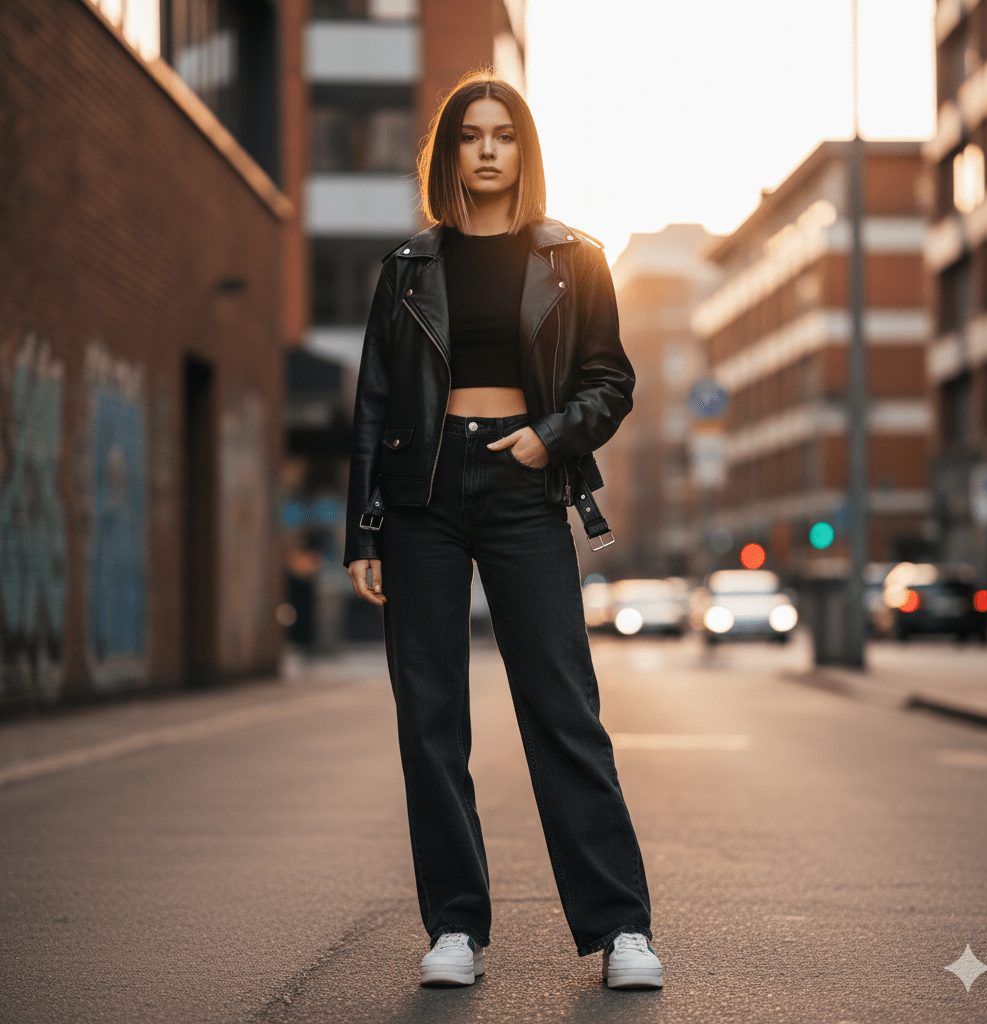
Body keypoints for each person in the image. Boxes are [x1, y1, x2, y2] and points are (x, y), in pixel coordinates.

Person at [343, 71, 663, 991]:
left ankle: (621, 928)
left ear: (525, 150)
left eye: (504, 134)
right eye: (471, 135)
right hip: (423, 495)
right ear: (449, 153)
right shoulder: (408, 268)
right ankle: (455, 927)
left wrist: (547, 437)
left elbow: (610, 382)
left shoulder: (575, 259)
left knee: (563, 707)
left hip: (524, 483)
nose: (487, 149)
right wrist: (364, 531)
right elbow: (373, 405)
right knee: (430, 716)